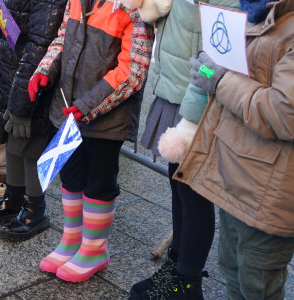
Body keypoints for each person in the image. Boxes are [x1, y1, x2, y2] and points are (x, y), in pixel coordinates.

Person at [28, 0, 154, 283]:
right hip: (67, 108)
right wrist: (44, 71)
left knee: (99, 183)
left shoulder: (134, 7)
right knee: (71, 178)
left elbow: (134, 70)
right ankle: (72, 240)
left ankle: (94, 249)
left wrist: (88, 105)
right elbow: (62, 38)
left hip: (106, 118)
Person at [175, 0, 294, 299]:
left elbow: (285, 114)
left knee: (256, 286)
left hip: (269, 193)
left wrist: (220, 80)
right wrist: (209, 70)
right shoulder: (261, 13)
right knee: (233, 272)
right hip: (236, 178)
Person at [127, 0, 240, 299]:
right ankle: (177, 265)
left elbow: (219, 47)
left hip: (198, 103)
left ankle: (187, 280)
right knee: (177, 185)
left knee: (194, 194)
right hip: (175, 89)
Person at [0, 0, 67, 239]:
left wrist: (22, 99)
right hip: (10, 70)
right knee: (13, 139)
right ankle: (14, 200)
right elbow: (7, 23)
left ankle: (35, 209)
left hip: (31, 79)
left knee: (30, 145)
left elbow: (40, 46)